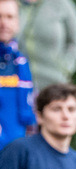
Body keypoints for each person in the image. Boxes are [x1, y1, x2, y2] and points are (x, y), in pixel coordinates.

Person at [15, 0, 76, 92]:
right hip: (18, 82)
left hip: (55, 83)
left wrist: (66, 67)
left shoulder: (61, 3)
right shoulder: (12, 4)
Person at [0, 0, 34, 151]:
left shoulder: (21, 63)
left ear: (17, 23)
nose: (4, 23)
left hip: (15, 151)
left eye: (9, 17)